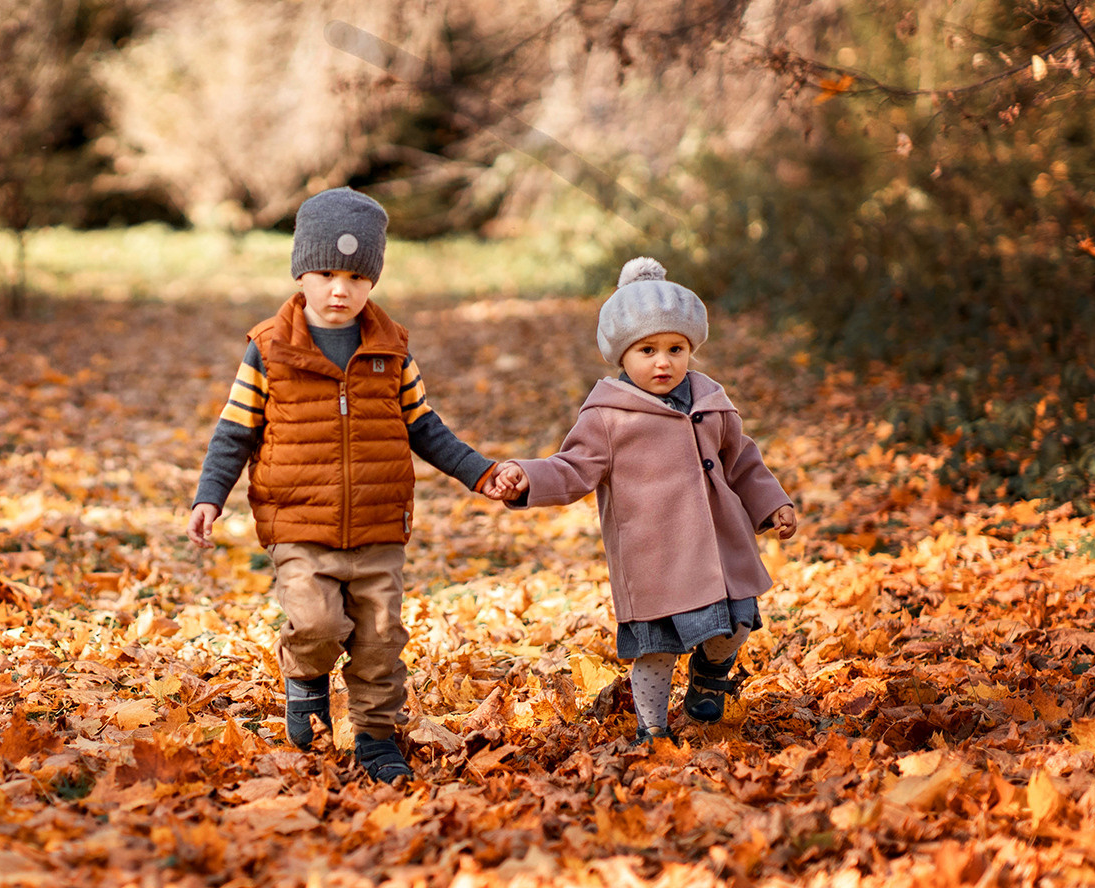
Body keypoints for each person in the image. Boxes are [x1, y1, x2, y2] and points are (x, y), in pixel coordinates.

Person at [187, 188, 502, 782]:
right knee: (317, 625)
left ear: (372, 281)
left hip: (380, 525)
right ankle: (304, 677)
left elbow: (426, 429)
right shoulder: (268, 350)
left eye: (356, 277)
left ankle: (377, 737)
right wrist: (210, 496)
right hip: (298, 523)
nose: (340, 290)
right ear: (300, 273)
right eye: (326, 272)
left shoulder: (391, 350)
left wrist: (479, 473)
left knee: (381, 637)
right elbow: (233, 433)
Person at [482, 258, 798, 746]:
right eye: (647, 350)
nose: (663, 362)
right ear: (621, 356)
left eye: (676, 348)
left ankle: (711, 673)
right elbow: (573, 468)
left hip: (719, 546)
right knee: (657, 650)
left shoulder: (710, 400)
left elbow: (742, 461)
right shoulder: (609, 416)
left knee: (735, 625)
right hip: (654, 557)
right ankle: (652, 727)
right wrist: (527, 477)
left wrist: (771, 504)